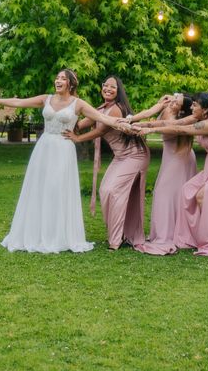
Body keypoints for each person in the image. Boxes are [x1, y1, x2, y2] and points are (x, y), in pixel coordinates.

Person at [0, 70, 129, 254]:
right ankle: (36, 234)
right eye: (57, 78)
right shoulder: (46, 99)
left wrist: (125, 123)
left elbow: (102, 118)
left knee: (57, 188)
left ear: (70, 84)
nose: (58, 80)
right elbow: (19, 102)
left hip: (63, 149)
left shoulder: (78, 104)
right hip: (44, 148)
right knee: (39, 188)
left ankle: (57, 235)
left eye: (63, 78)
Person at [138, 93, 208, 256]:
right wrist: (142, 125)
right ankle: (195, 235)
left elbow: (179, 129)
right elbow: (174, 123)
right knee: (187, 190)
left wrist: (151, 130)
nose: (191, 107)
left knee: (202, 196)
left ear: (205, 109)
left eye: (195, 105)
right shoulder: (199, 119)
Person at [63, 76, 150, 250]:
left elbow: (101, 129)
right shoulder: (101, 108)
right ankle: (121, 233)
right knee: (105, 190)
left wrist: (78, 139)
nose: (108, 89)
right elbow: (80, 124)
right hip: (120, 157)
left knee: (113, 191)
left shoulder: (117, 109)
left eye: (113, 87)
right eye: (105, 85)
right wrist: (69, 109)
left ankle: (116, 241)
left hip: (135, 155)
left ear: (119, 91)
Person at [127, 93, 198, 255]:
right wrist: (160, 103)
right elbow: (151, 115)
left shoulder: (178, 122)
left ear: (182, 111)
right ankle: (163, 232)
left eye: (176, 102)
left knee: (164, 194)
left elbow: (161, 125)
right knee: (168, 195)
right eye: (174, 98)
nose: (172, 102)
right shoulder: (168, 110)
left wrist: (143, 127)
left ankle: (167, 235)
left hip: (180, 159)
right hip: (171, 157)